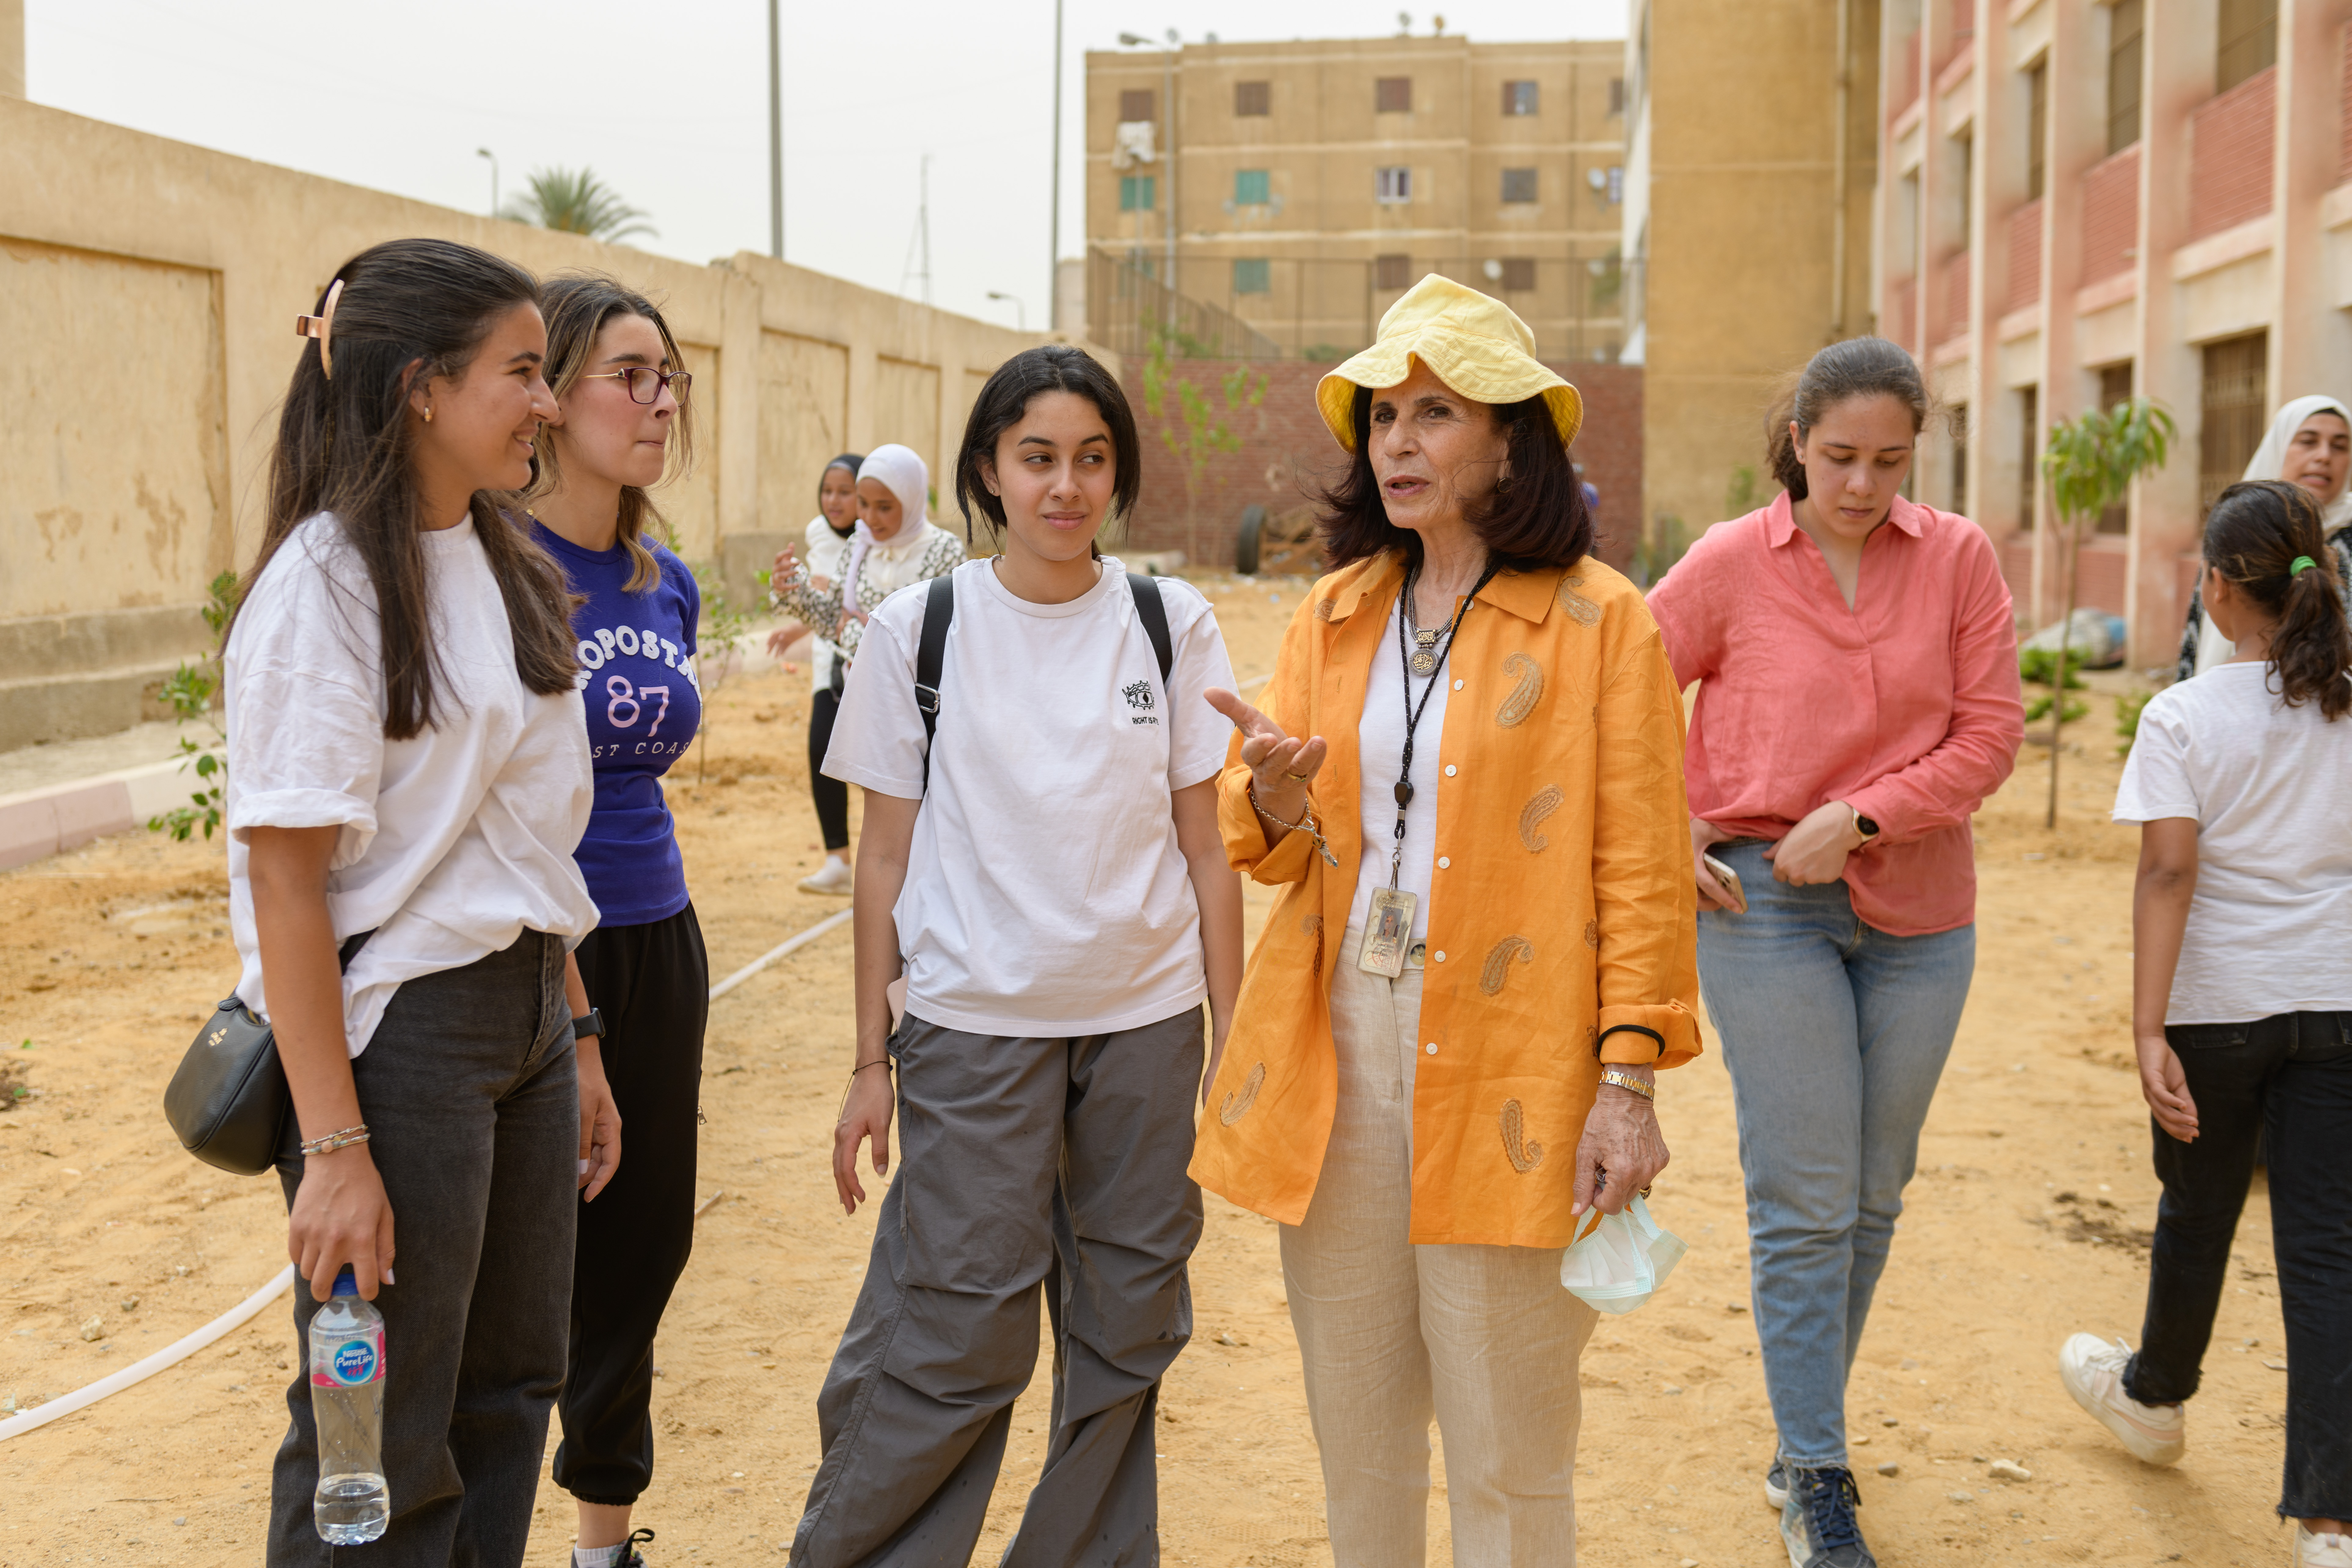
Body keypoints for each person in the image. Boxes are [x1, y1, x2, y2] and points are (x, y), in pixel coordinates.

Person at [1190, 274, 1700, 1567]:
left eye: (1434, 411)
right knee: (1356, 1427)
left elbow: (1639, 870)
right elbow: (1280, 844)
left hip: (1515, 1055)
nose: (1398, 442)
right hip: (1341, 1044)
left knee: (1508, 1442)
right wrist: (1275, 794)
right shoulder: (1336, 611)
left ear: (1511, 439)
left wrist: (1626, 1086)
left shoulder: (1603, 621)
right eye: (1381, 417)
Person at [791, 345, 1242, 1565]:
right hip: (971, 1024)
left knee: (1127, 1320)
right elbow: (879, 862)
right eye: (1037, 456)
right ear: (988, 467)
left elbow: (1207, 851)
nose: (1066, 485)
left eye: (1091, 458)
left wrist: (1229, 1041)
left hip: (1145, 1024)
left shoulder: (1169, 622)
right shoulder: (917, 628)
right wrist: (868, 1058)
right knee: (954, 1319)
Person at [227, 239, 601, 1566]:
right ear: (419, 390)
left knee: (509, 1396)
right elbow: (285, 878)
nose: (546, 402)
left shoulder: (501, 558)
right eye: (519, 371)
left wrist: (578, 1036)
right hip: (398, 1039)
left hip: (521, 1021)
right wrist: (335, 1151)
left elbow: (511, 834)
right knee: (374, 1428)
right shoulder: (323, 588)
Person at [1645, 336, 2024, 1568]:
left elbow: (1988, 735)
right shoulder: (1724, 564)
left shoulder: (1957, 556)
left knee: (1870, 1194)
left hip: (1924, 918)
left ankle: (1797, 1434)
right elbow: (1621, 692)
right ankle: (1815, 1468)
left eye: (1889, 460)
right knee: (1804, 1200)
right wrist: (1669, 824)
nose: (1861, 483)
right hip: (1763, 911)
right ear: (1797, 440)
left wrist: (1865, 813)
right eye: (1841, 456)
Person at [2065, 479, 2352, 1568]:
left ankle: (2153, 1398)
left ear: (2224, 591)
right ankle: (2330, 1520)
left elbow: (2170, 869)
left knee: (2198, 1211)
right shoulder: (2350, 701)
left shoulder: (2183, 714)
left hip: (2219, 1009)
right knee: (2326, 1250)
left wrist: (2148, 1030)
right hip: (2338, 1003)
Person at [523, 274, 708, 1568]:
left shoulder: (664, 579)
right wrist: (575, 1007)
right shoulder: (501, 568)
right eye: (628, 375)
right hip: (540, 947)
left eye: (668, 379)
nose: (657, 403)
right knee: (526, 1265)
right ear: (552, 391)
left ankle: (602, 1541)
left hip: (664, 932)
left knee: (645, 1244)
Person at [768, 443, 965, 897]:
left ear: (913, 500)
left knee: (923, 800)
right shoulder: (859, 545)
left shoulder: (942, 550)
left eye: (885, 507)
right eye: (864, 505)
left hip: (921, 704)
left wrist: (859, 628)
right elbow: (834, 615)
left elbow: (925, 633)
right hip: (863, 691)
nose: (871, 519)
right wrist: (793, 588)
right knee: (880, 802)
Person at [2179, 396, 2352, 679]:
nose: (2324, 456)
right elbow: (2197, 636)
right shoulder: (2237, 531)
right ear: (2278, 446)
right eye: (2308, 442)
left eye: (2340, 446)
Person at [763, 454, 864, 894]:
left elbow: (839, 597)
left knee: (881, 766)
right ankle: (838, 860)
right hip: (831, 665)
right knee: (823, 753)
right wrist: (797, 620)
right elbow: (823, 597)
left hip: (874, 665)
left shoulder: (878, 536)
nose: (834, 500)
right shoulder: (819, 533)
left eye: (846, 492)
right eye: (828, 491)